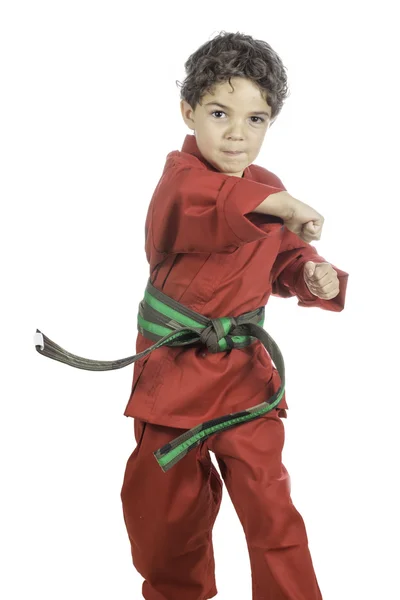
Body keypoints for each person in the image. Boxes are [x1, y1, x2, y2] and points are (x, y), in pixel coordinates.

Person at [119, 31, 349, 600]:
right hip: (173, 380)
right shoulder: (179, 183)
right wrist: (284, 207)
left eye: (256, 119)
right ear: (188, 111)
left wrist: (311, 274)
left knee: (273, 513)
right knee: (165, 525)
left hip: (245, 378)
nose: (236, 135)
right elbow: (213, 208)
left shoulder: (268, 189)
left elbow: (286, 254)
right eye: (220, 113)